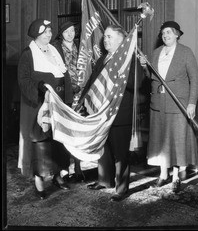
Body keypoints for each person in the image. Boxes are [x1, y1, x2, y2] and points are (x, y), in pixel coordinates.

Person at [80, 25, 145, 202]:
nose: (105, 40)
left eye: (109, 37)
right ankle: (104, 180)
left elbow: (136, 83)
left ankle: (121, 188)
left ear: (121, 41)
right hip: (100, 113)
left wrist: (119, 71)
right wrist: (82, 102)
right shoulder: (102, 59)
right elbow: (93, 83)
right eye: (105, 37)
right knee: (103, 149)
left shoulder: (130, 60)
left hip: (119, 113)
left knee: (120, 153)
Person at [139, 21, 198, 193]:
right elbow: (151, 77)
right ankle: (163, 174)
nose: (165, 36)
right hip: (158, 104)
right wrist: (144, 65)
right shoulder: (156, 52)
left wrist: (192, 103)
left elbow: (194, 80)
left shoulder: (186, 52)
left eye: (169, 33)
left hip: (178, 104)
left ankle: (175, 177)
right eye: (163, 33)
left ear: (177, 34)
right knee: (160, 141)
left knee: (176, 142)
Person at [18, 18, 72, 200]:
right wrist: (40, 87)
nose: (49, 34)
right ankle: (39, 183)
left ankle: (58, 177)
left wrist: (69, 94)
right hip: (39, 107)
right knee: (41, 144)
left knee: (59, 141)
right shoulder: (28, 54)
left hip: (59, 105)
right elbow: (23, 80)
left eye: (50, 31)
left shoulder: (55, 50)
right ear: (36, 34)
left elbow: (64, 75)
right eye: (45, 31)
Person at [52, 20, 85, 182]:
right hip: (64, 94)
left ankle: (78, 167)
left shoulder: (81, 45)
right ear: (61, 34)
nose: (70, 34)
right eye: (66, 32)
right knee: (65, 131)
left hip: (81, 95)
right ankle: (63, 169)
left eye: (72, 31)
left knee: (78, 131)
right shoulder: (55, 48)